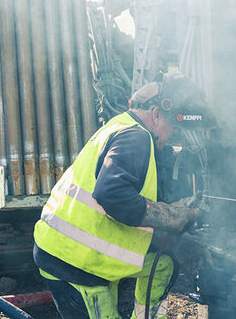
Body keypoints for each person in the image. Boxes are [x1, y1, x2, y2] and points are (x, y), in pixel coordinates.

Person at [33, 72, 215, 318]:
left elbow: (124, 214)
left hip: (77, 252)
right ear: (157, 113)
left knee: (163, 265)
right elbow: (113, 196)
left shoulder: (121, 125)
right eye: (173, 127)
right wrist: (169, 216)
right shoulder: (136, 137)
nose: (172, 136)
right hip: (73, 263)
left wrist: (176, 241)